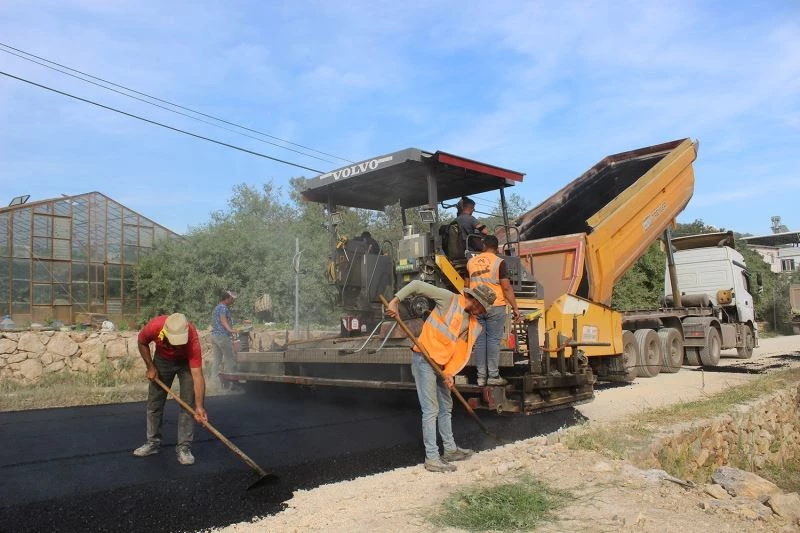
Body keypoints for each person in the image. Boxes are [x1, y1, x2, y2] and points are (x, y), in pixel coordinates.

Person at [386, 280, 496, 473]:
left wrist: (450, 373)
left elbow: (461, 352)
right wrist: (396, 300)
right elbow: (416, 285)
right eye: (481, 308)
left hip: (442, 366)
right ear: (475, 300)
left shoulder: (473, 325)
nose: (481, 313)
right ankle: (432, 457)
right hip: (424, 359)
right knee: (431, 409)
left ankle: (450, 450)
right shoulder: (449, 300)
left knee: (446, 406)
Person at [133, 313, 207, 465]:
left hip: (185, 363)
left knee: (188, 404)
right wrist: (150, 366)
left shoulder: (192, 336)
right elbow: (142, 342)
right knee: (155, 403)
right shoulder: (154, 326)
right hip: (162, 361)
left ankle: (184, 447)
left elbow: (197, 375)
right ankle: (153, 443)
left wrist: (200, 407)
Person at [465, 235, 521, 386]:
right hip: (495, 306)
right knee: (493, 342)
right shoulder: (499, 262)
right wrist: (515, 307)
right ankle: (493, 376)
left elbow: (466, 285)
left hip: (477, 307)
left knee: (481, 342)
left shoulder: (471, 262)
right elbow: (506, 287)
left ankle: (481, 377)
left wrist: (470, 304)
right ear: (496, 249)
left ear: (483, 246)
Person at [211, 290, 238, 389]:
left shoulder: (216, 307)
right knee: (229, 359)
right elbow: (223, 319)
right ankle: (230, 382)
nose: (232, 301)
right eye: (231, 299)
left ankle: (213, 381)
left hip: (215, 336)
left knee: (216, 360)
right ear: (226, 299)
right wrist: (230, 329)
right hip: (222, 336)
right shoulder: (223, 308)